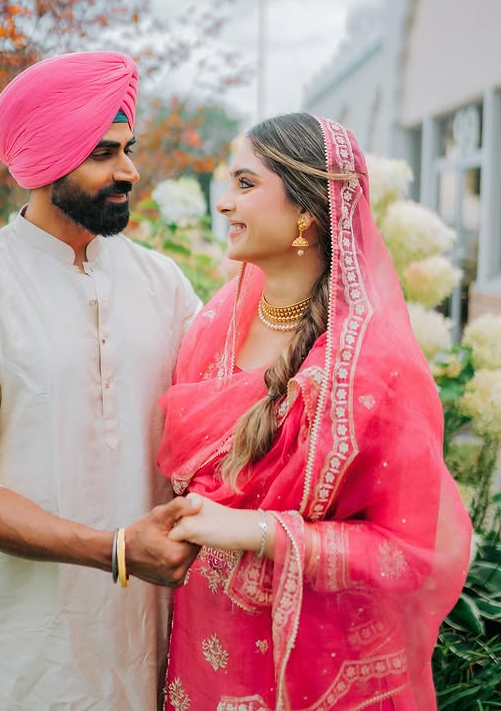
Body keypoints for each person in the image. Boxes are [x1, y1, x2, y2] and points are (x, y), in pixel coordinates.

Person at [0, 51, 203, 711]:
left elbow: (216, 428)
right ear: (43, 161)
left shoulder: (165, 285)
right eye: (103, 153)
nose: (128, 171)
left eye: (128, 149)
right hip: (22, 658)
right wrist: (116, 550)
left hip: (152, 642)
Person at [157, 113, 472, 710]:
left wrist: (258, 531)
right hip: (198, 660)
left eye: (246, 184)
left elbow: (412, 555)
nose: (224, 204)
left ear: (306, 210)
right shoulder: (211, 330)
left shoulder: (375, 368)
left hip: (312, 677)